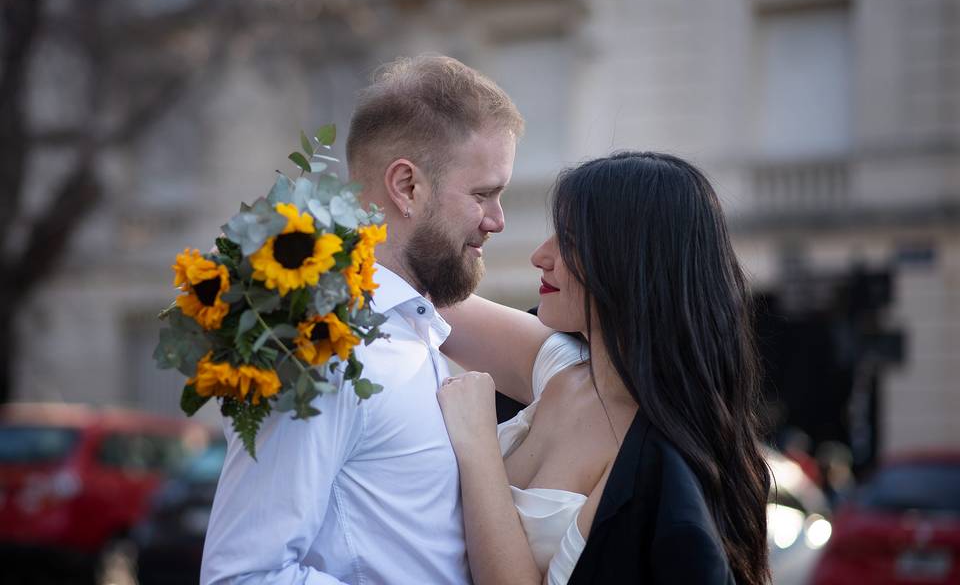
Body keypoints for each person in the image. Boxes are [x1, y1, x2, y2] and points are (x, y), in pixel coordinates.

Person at [200, 55, 523, 584]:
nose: (497, 221)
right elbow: (242, 575)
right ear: (407, 187)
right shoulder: (323, 348)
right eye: (484, 194)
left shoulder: (417, 331)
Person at [437, 152, 772, 584]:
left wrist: (478, 444)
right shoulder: (565, 365)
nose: (541, 255)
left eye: (572, 240)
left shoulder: (651, 458)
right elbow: (419, 300)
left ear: (634, 262)